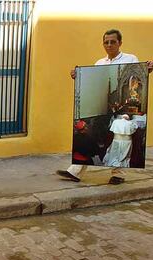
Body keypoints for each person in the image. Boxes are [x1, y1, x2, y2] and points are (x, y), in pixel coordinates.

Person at [56, 29, 153, 184]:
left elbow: (140, 77)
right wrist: (78, 75)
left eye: (112, 41)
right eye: (106, 42)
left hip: (126, 110)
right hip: (105, 111)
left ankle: (118, 174)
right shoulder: (99, 63)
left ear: (120, 43)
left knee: (120, 140)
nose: (109, 45)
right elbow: (93, 82)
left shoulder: (131, 58)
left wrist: (148, 69)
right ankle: (75, 171)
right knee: (89, 136)